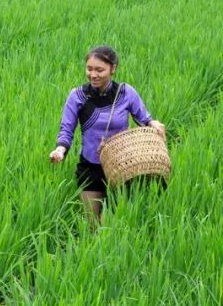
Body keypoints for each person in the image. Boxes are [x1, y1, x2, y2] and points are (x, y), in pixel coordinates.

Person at [49, 46, 165, 225]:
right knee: (93, 224)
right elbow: (67, 129)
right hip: (90, 167)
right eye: (89, 69)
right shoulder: (77, 96)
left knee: (117, 222)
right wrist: (60, 150)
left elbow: (144, 118)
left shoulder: (125, 93)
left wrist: (154, 123)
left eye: (99, 70)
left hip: (122, 167)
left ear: (113, 68)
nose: (93, 74)